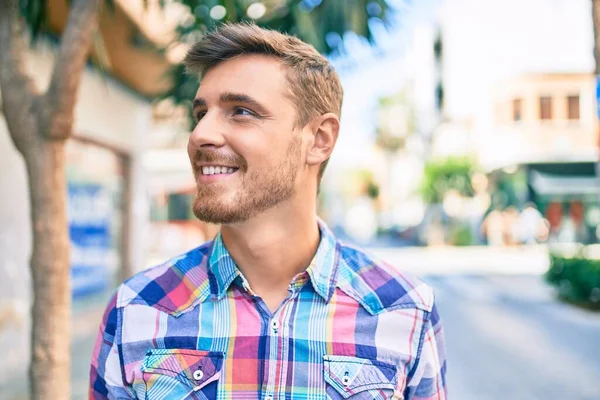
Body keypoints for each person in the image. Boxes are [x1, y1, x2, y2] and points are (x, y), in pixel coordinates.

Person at [89, 23, 446, 400]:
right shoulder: (136, 308)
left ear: (319, 140)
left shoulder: (406, 310)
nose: (200, 135)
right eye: (201, 113)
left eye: (241, 111)